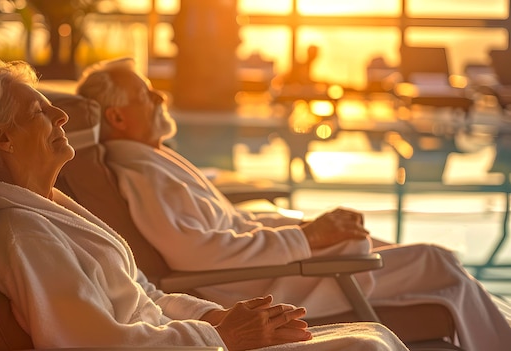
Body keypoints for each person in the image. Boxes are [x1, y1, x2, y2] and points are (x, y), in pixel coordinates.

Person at [0, 55, 409, 351]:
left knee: (372, 336)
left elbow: (147, 294)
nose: (61, 114)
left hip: (184, 338)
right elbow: (93, 342)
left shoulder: (52, 209)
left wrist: (213, 316)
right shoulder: (26, 236)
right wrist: (220, 336)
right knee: (365, 345)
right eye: (39, 110)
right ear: (0, 136)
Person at [76, 57, 511, 351]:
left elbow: (228, 225)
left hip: (273, 270)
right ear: (117, 118)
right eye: (146, 95)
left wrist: (307, 229)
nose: (160, 99)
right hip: (268, 285)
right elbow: (197, 252)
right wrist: (304, 237)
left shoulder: (152, 159)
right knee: (438, 262)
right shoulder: (141, 173)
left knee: (445, 273)